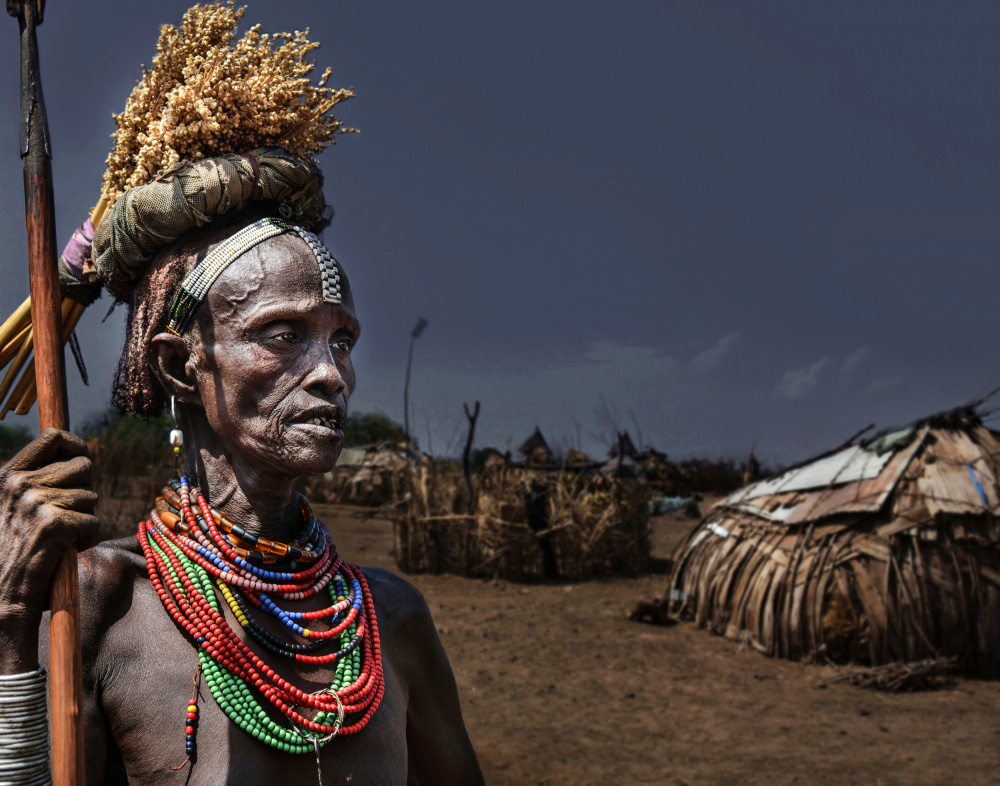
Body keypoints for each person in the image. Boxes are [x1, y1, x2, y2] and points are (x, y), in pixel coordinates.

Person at [0, 149, 485, 784]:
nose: (331, 375)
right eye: (283, 335)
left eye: (342, 340)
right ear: (180, 367)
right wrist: (11, 625)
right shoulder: (99, 603)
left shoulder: (392, 618)